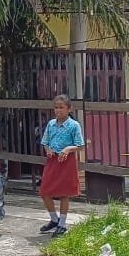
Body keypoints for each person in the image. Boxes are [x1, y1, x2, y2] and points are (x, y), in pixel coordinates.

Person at [39, 94, 85, 237]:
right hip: (52, 161)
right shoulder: (51, 124)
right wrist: (48, 150)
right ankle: (54, 219)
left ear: (69, 109)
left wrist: (67, 149)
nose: (58, 110)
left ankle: (62, 224)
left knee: (64, 194)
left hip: (67, 162)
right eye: (56, 107)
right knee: (44, 191)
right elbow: (45, 142)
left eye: (61, 107)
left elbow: (80, 145)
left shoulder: (73, 125)